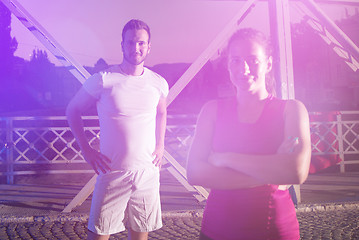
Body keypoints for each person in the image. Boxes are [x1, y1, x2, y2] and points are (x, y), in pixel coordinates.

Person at [187, 28, 311, 240]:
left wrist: (225, 158)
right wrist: (271, 171)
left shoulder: (292, 110)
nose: (243, 68)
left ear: (268, 64)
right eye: (235, 60)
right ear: (228, 66)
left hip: (274, 231)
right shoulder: (211, 110)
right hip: (217, 231)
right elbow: (195, 173)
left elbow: (296, 171)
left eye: (253, 60)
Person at [66, 19, 169, 240]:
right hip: (112, 174)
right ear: (122, 45)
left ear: (149, 46)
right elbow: (72, 110)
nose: (136, 48)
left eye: (141, 43)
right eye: (130, 43)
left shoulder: (158, 83)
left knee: (140, 235)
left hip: (147, 173)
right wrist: (86, 149)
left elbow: (161, 112)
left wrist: (161, 145)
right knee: (99, 235)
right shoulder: (103, 80)